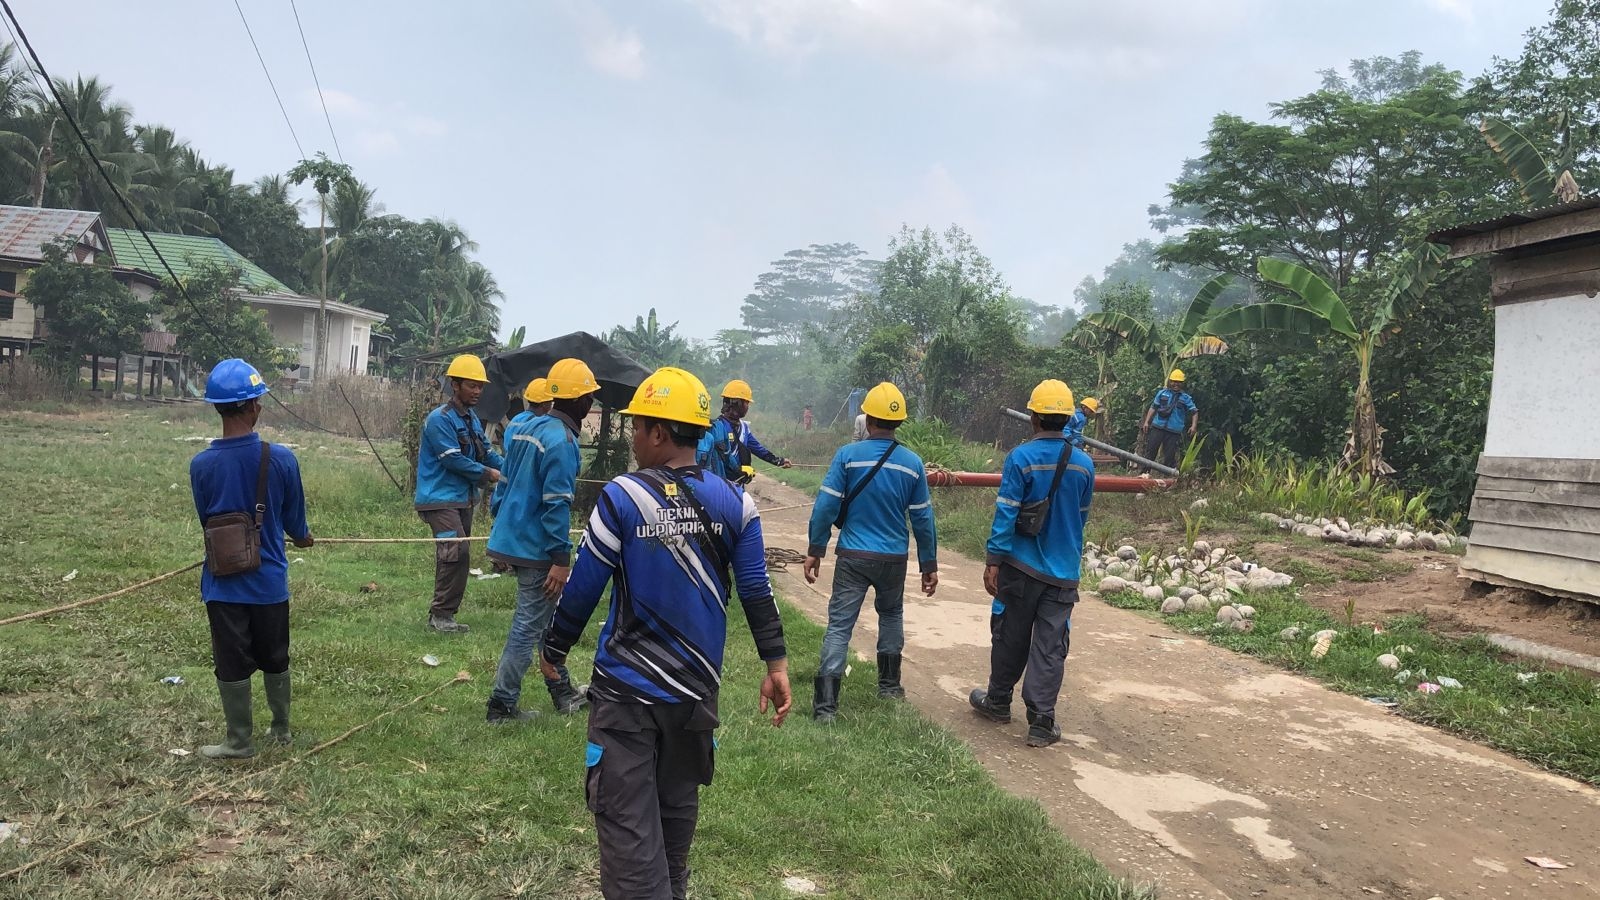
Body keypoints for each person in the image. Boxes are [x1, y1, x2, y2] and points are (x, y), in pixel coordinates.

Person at [543, 366, 791, 900]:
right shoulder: (737, 503)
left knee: (631, 845)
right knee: (672, 840)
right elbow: (755, 591)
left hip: (626, 700)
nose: (632, 439)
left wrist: (554, 649)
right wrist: (776, 665)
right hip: (695, 699)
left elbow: (584, 585)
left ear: (659, 432)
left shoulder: (623, 496)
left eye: (637, 428)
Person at [188, 359, 314, 759]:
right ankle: (281, 730)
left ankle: (239, 741)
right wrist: (303, 538)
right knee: (276, 656)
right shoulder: (281, 459)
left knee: (231, 660)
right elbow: (296, 523)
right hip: (269, 583)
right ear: (254, 405)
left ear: (216, 407)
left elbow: (207, 521)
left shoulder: (201, 465)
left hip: (223, 584)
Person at [802, 382, 938, 723]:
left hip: (853, 556)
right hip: (893, 559)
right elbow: (922, 518)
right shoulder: (912, 464)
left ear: (869, 418)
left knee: (839, 626)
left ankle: (826, 707)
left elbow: (825, 508)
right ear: (899, 423)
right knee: (891, 615)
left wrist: (815, 549)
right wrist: (928, 564)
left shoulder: (847, 457)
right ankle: (890, 687)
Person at [969, 379, 1094, 749]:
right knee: (1050, 644)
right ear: (1068, 417)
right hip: (1063, 574)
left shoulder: (1020, 459)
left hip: (1020, 567)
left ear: (1034, 418)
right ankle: (1042, 721)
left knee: (1011, 633)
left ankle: (998, 701)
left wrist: (994, 559)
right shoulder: (1084, 465)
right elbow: (1080, 518)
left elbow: (1006, 514)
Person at [484, 359, 597, 722]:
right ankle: (501, 704)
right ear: (580, 402)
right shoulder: (562, 442)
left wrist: (498, 530)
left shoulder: (525, 427)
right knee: (529, 624)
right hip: (536, 547)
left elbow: (504, 481)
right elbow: (555, 506)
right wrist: (560, 559)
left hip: (513, 537)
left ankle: (562, 692)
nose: (591, 403)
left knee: (544, 621)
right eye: (590, 396)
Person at [414, 354, 504, 634]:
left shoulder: (472, 419)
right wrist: (490, 475)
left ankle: (446, 615)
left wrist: (513, 470)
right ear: (455, 384)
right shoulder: (439, 420)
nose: (477, 391)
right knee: (454, 552)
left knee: (462, 556)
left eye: (480, 386)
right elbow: (453, 460)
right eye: (471, 385)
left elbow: (487, 453)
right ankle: (439, 615)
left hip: (463, 498)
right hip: (438, 498)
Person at [696, 379, 792, 483]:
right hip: (721, 484)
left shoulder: (744, 428)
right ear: (737, 403)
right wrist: (738, 470)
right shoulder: (717, 429)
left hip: (738, 484)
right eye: (746, 402)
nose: (748, 406)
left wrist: (779, 461)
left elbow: (758, 449)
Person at [1139, 369, 1198, 470]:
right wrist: (1146, 422)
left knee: (1170, 456)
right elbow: (1153, 407)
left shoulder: (1186, 398)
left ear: (1182, 383)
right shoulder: (1162, 393)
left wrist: (1193, 426)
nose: (1176, 384)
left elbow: (1194, 412)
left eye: (1179, 382)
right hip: (1158, 426)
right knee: (1151, 451)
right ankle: (1144, 474)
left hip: (1173, 430)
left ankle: (1168, 479)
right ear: (1170, 382)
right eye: (1174, 381)